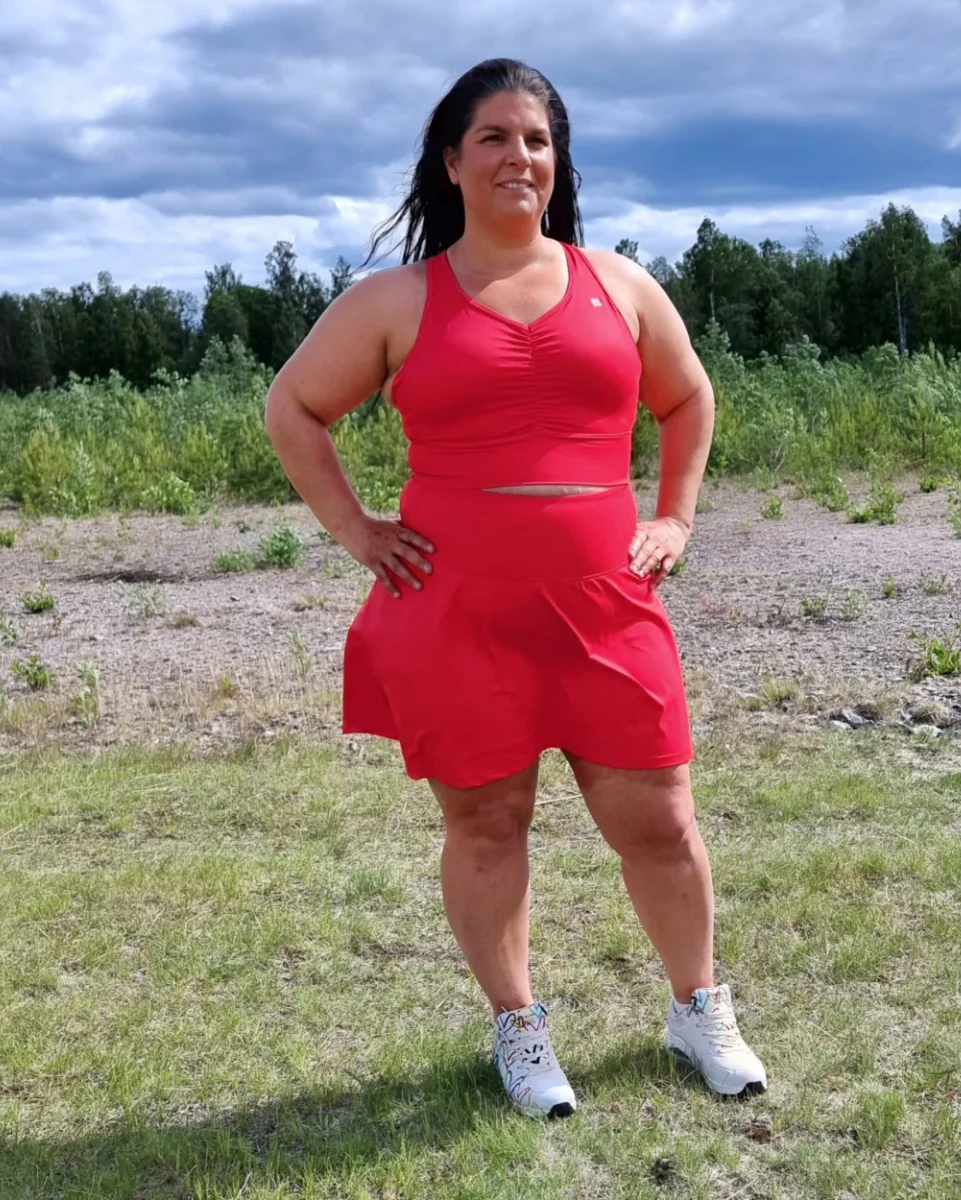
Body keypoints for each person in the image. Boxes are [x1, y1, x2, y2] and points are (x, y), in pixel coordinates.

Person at [264, 57, 767, 1119]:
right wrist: (357, 531)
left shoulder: (619, 285)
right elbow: (293, 408)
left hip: (606, 606)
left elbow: (688, 398)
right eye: (493, 137)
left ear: (558, 161)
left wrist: (675, 517)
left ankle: (698, 1007)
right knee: (489, 824)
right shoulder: (398, 300)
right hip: (459, 614)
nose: (518, 157)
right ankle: (520, 1027)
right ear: (451, 161)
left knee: (661, 817)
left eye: (537, 139)